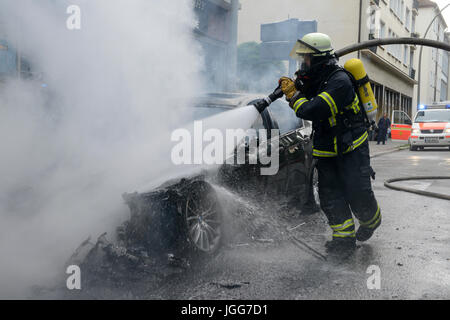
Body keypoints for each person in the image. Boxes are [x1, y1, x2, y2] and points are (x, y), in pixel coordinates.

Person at [258, 33, 381, 255]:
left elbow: (312, 110)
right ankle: (343, 241)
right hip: (326, 149)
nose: (302, 62)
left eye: (305, 58)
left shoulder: (340, 82)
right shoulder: (316, 77)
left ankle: (371, 220)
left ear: (317, 59)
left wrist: (294, 94)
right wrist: (287, 88)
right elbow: (303, 90)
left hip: (350, 148)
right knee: (330, 196)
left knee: (357, 193)